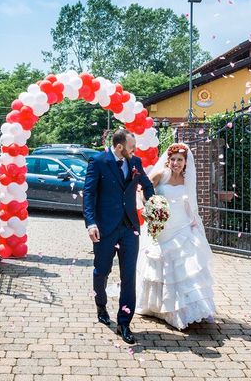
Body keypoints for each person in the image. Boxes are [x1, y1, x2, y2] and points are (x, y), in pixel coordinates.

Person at [83, 129, 155, 344]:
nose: (135, 150)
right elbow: (89, 194)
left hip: (130, 227)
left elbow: (148, 186)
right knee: (102, 270)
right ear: (120, 147)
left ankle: (124, 322)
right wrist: (91, 223)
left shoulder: (135, 162)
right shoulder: (98, 161)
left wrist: (156, 207)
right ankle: (101, 304)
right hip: (105, 227)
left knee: (129, 276)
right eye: (131, 146)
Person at [135, 143, 216, 330]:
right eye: (173, 159)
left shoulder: (186, 179)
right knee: (165, 263)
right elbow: (142, 189)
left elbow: (187, 202)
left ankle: (193, 308)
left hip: (182, 226)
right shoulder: (160, 175)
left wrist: (193, 220)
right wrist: (151, 207)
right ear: (168, 160)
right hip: (164, 226)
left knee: (188, 265)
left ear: (185, 162)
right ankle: (162, 307)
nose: (176, 163)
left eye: (180, 160)